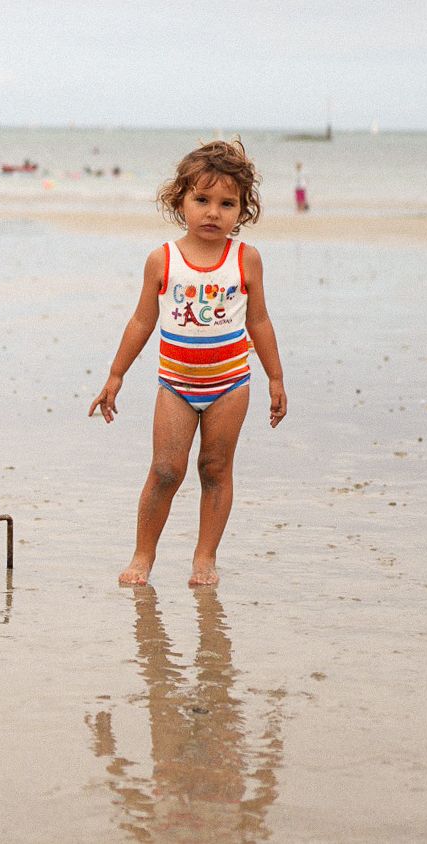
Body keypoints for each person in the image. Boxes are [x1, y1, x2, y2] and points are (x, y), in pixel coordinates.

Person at [89, 141, 287, 587]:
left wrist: (275, 378)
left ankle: (205, 557)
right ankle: (143, 555)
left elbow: (260, 321)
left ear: (243, 208)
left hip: (231, 384)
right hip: (176, 385)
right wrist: (116, 374)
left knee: (215, 469)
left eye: (227, 203)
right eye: (201, 199)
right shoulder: (162, 259)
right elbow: (142, 320)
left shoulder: (247, 260)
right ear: (179, 201)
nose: (213, 212)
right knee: (165, 471)